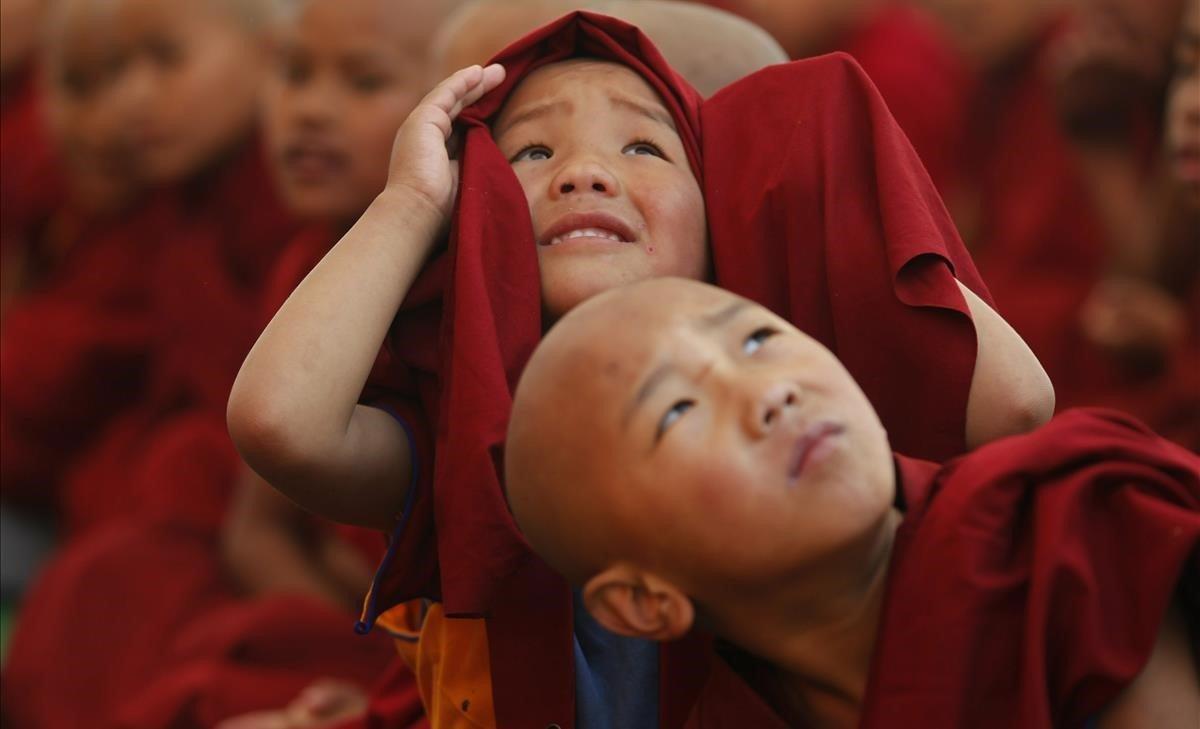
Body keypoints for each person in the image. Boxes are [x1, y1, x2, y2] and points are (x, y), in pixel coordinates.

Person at [229, 11, 1052, 727]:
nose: (584, 172)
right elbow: (280, 422)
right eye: (531, 151)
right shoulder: (468, 439)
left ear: (721, 196)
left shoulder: (794, 386)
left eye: (645, 145)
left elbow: (1017, 406)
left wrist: (821, 170)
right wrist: (410, 203)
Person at [505, 276, 1200, 729]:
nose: (768, 394)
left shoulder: (1065, 525)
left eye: (756, 340)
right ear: (642, 602)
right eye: (677, 411)